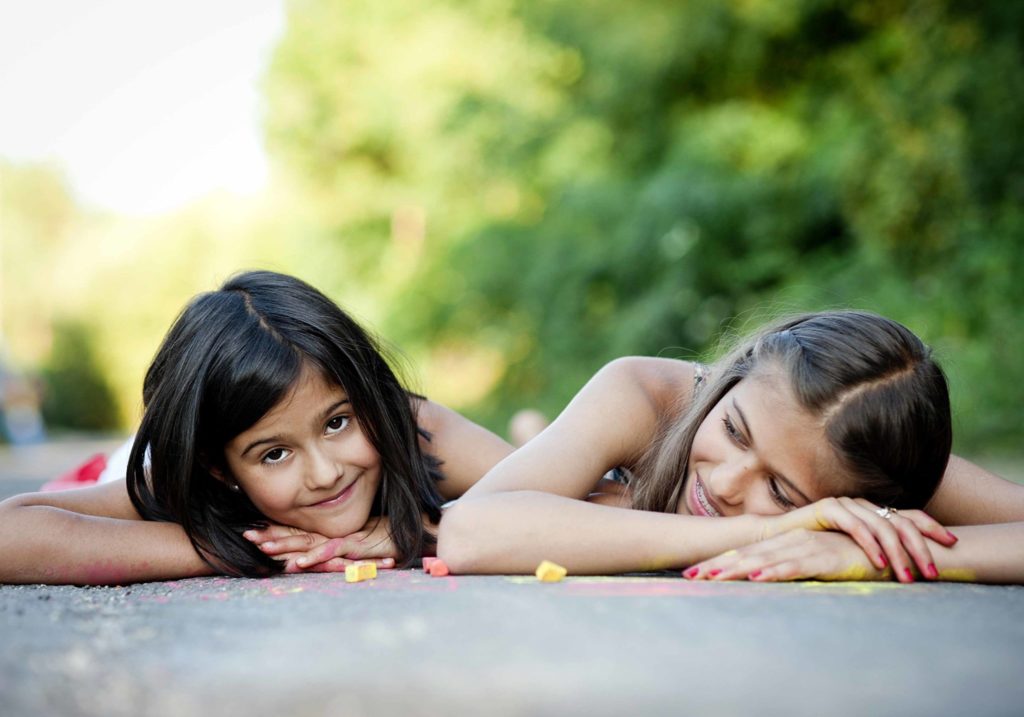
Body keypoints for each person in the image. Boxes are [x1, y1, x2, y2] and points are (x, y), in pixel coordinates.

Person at [0, 271, 513, 584]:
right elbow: (10, 533)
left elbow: (578, 496)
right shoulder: (191, 480)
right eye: (274, 454)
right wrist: (243, 549)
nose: (325, 473)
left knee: (529, 454)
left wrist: (408, 531)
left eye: (337, 423)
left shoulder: (412, 425)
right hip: (113, 469)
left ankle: (530, 431)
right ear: (220, 467)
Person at [437, 311, 1024, 584]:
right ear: (733, 376)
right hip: (581, 438)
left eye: (779, 489)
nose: (723, 484)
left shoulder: (878, 451)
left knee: (596, 492)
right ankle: (534, 432)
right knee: (535, 443)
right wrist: (770, 528)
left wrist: (874, 551)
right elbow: (468, 530)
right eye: (735, 431)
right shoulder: (644, 394)